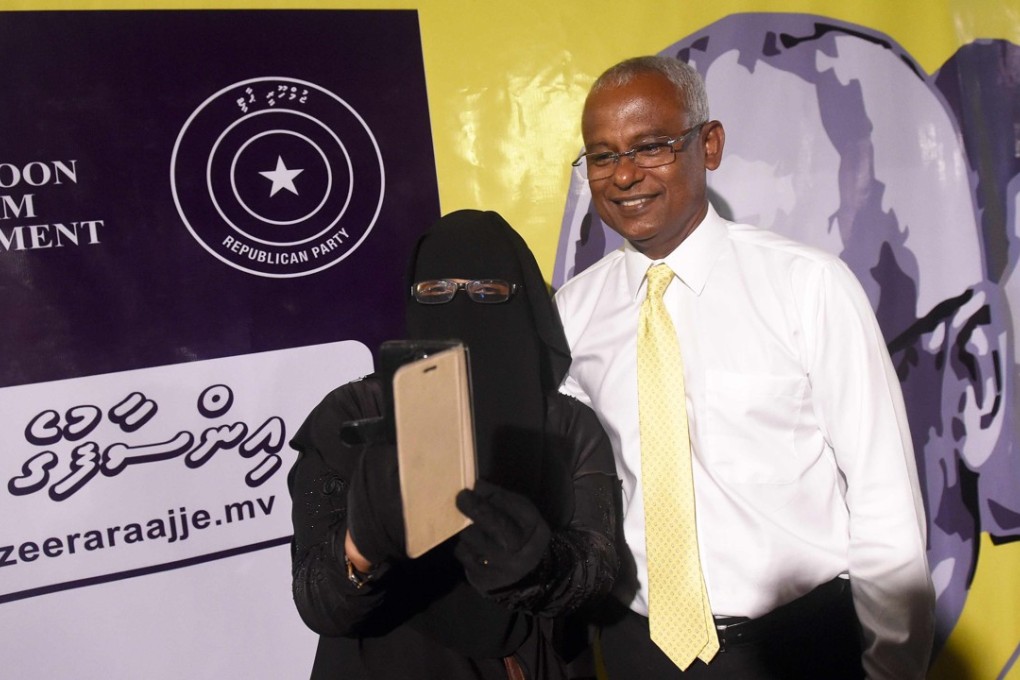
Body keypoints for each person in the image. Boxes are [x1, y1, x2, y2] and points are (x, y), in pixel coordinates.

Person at [553, 55, 935, 679]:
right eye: (601, 155)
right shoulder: (573, 313)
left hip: (796, 650)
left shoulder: (807, 287)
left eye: (651, 146)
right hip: (635, 650)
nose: (624, 175)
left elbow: (882, 494)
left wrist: (893, 668)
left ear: (710, 145)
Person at [288, 209, 620, 680]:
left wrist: (539, 566)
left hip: (526, 663)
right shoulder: (353, 417)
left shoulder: (568, 426)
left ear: (521, 303)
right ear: (413, 299)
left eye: (487, 291)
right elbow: (316, 602)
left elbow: (598, 571)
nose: (461, 307)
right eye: (436, 292)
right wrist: (360, 548)